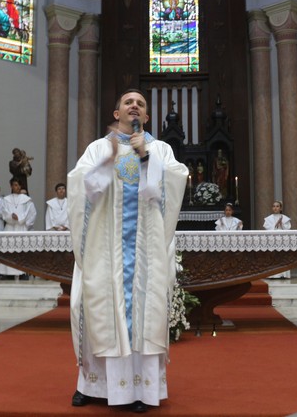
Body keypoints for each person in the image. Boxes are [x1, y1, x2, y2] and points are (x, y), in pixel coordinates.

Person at [67, 89, 187, 413]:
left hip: (145, 253)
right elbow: (80, 188)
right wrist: (108, 160)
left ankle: (142, 391)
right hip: (103, 250)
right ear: (116, 112)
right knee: (91, 307)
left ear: (146, 117)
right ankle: (91, 384)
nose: (134, 106)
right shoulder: (98, 147)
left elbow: (172, 185)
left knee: (145, 314)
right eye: (128, 102)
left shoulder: (160, 148)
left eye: (141, 104)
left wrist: (146, 156)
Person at [0, 178, 36, 280]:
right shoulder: (6, 199)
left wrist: (21, 220)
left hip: (21, 228)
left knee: (21, 250)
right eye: (15, 185)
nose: (17, 187)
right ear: (11, 186)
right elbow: (4, 212)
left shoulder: (26, 200)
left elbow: (32, 213)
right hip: (10, 227)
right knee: (8, 250)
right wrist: (11, 217)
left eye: (18, 185)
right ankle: (7, 273)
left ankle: (22, 272)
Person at [263, 201, 292, 278]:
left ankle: (283, 274)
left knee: (282, 257)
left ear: (281, 208)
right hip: (272, 241)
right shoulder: (268, 219)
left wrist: (281, 224)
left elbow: (288, 228)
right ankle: (271, 274)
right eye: (274, 206)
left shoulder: (285, 218)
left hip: (282, 240)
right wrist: (275, 225)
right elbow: (267, 227)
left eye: (277, 206)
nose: (275, 208)